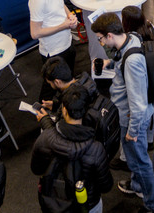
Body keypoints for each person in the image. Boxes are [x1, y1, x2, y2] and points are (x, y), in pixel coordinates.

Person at [91, 13, 154, 213]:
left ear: (110, 35)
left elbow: (137, 104)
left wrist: (133, 131)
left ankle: (153, 205)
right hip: (130, 115)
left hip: (131, 119)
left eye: (101, 38)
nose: (101, 42)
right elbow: (121, 61)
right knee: (135, 160)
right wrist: (110, 64)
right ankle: (138, 186)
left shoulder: (132, 63)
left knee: (140, 163)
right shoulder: (130, 38)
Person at [31, 83, 113, 213]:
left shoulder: (45, 139)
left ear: (63, 109)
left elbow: (36, 169)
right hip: (87, 205)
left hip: (53, 203)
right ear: (86, 111)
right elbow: (106, 185)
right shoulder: (96, 149)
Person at [30, 0, 79, 103]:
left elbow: (60, 4)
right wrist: (63, 26)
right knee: (49, 91)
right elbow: (35, 33)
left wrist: (70, 15)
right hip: (53, 52)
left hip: (67, 43)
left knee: (69, 83)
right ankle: (43, 120)